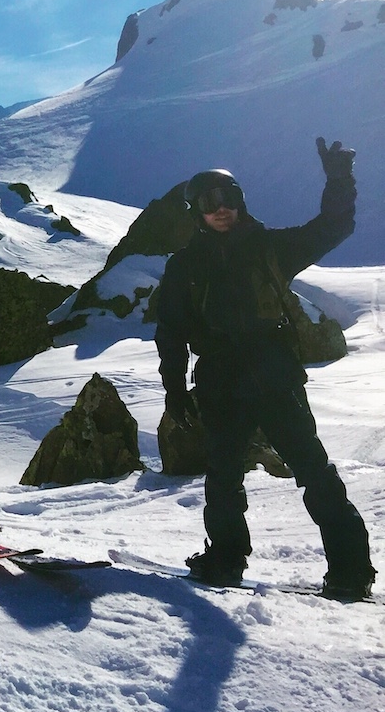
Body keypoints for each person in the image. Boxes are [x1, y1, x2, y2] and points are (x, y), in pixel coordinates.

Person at [156, 139, 374, 600]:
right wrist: (174, 389)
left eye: (230, 199)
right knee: (222, 477)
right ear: (196, 210)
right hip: (219, 378)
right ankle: (226, 559)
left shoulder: (270, 247)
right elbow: (171, 332)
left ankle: (352, 570)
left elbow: (333, 226)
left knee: (312, 468)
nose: (222, 210)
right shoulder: (185, 266)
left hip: (273, 371)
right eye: (211, 203)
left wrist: (339, 179)